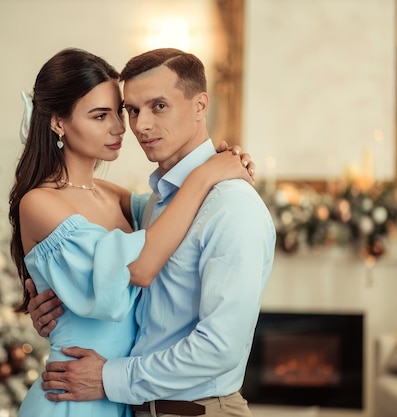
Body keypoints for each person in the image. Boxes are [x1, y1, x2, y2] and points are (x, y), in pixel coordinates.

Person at [29, 48, 276, 417]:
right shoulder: (156, 203)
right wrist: (59, 310)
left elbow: (220, 348)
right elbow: (125, 268)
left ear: (200, 105)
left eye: (158, 106)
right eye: (132, 110)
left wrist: (109, 378)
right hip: (121, 404)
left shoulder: (231, 206)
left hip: (194, 409)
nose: (137, 126)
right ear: (58, 123)